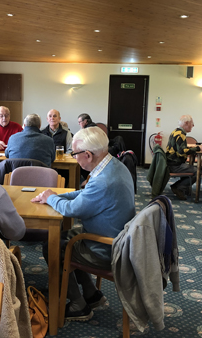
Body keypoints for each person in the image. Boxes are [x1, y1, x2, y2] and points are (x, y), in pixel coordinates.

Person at [31, 127, 135, 321]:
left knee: (53, 246)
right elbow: (85, 195)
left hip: (106, 249)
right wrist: (55, 196)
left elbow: (72, 210)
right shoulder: (114, 165)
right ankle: (91, 294)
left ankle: (79, 306)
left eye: (74, 153)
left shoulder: (104, 181)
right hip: (117, 238)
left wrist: (52, 198)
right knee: (66, 238)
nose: (73, 157)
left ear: (87, 155)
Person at [166, 115, 202, 200]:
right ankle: (178, 187)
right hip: (175, 165)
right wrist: (198, 148)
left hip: (171, 162)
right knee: (198, 172)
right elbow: (182, 152)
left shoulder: (176, 132)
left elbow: (180, 149)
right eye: (192, 123)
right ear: (186, 123)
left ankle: (181, 187)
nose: (193, 125)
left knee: (191, 168)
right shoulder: (181, 135)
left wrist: (192, 149)